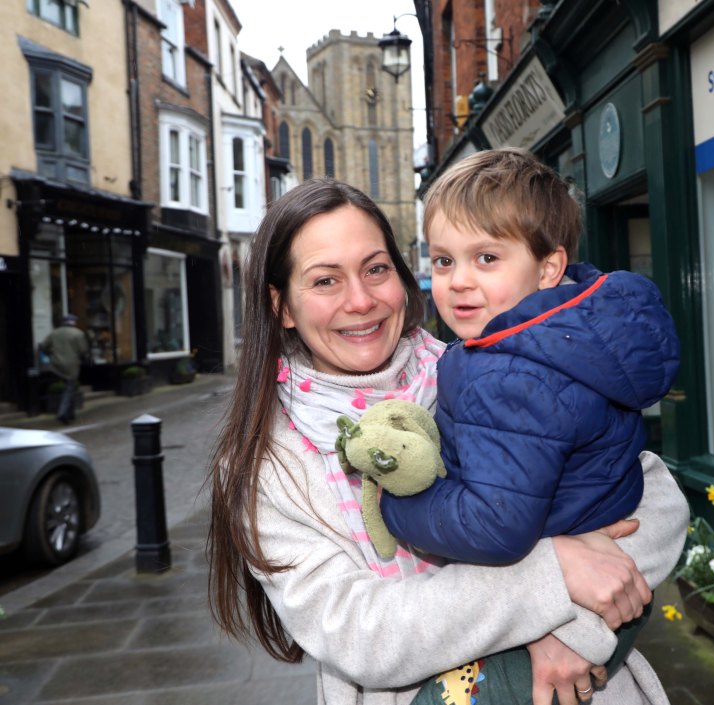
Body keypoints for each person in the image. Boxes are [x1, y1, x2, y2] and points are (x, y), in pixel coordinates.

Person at [207, 178, 689, 705]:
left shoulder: (486, 368)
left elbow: (655, 498)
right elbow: (360, 632)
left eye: (376, 269)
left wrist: (573, 635)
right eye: (325, 281)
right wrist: (554, 575)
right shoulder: (265, 462)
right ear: (282, 306)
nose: (361, 301)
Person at [378, 148, 680, 702]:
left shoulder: (506, 373)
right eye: (444, 261)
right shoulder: (565, 338)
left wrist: (397, 505)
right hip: (582, 582)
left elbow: (496, 527)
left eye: (486, 258)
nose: (459, 281)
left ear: (548, 268)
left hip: (549, 621)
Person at [40, 313, 89, 425]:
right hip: (71, 365)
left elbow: (43, 346)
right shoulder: (78, 333)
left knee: (68, 388)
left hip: (56, 364)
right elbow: (83, 350)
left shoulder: (54, 333)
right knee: (69, 388)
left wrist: (51, 355)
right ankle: (62, 413)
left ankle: (70, 414)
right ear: (73, 322)